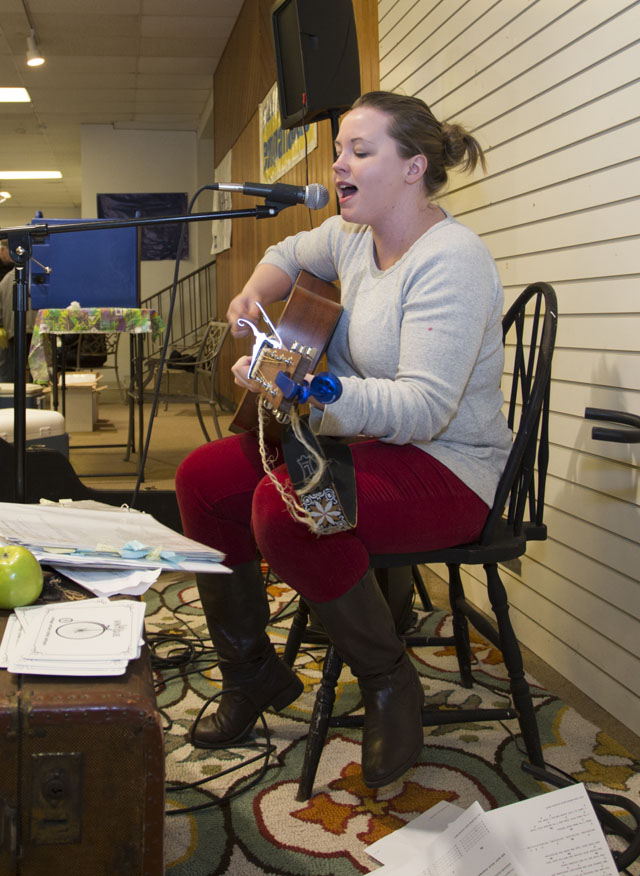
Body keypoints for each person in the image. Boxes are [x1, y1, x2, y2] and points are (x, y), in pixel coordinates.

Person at [175, 91, 513, 788]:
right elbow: (288, 250)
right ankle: (252, 673)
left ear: (414, 167)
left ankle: (391, 680)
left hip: (451, 468)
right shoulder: (354, 237)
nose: (339, 165)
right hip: (368, 445)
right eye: (339, 153)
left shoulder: (451, 261)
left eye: (361, 152)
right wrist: (251, 295)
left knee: (288, 508)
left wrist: (313, 392)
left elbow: (424, 409)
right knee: (204, 478)